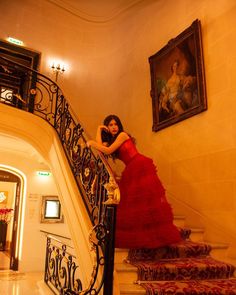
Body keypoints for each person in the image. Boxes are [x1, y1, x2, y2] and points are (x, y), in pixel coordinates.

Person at [87, 115, 181, 248]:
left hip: (139, 164)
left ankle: (154, 234)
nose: (114, 127)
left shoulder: (122, 135)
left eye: (115, 124)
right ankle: (146, 234)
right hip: (131, 168)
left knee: (144, 202)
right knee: (134, 205)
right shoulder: (113, 140)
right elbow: (102, 150)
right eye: (110, 125)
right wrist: (99, 130)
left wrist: (92, 143)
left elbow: (106, 150)